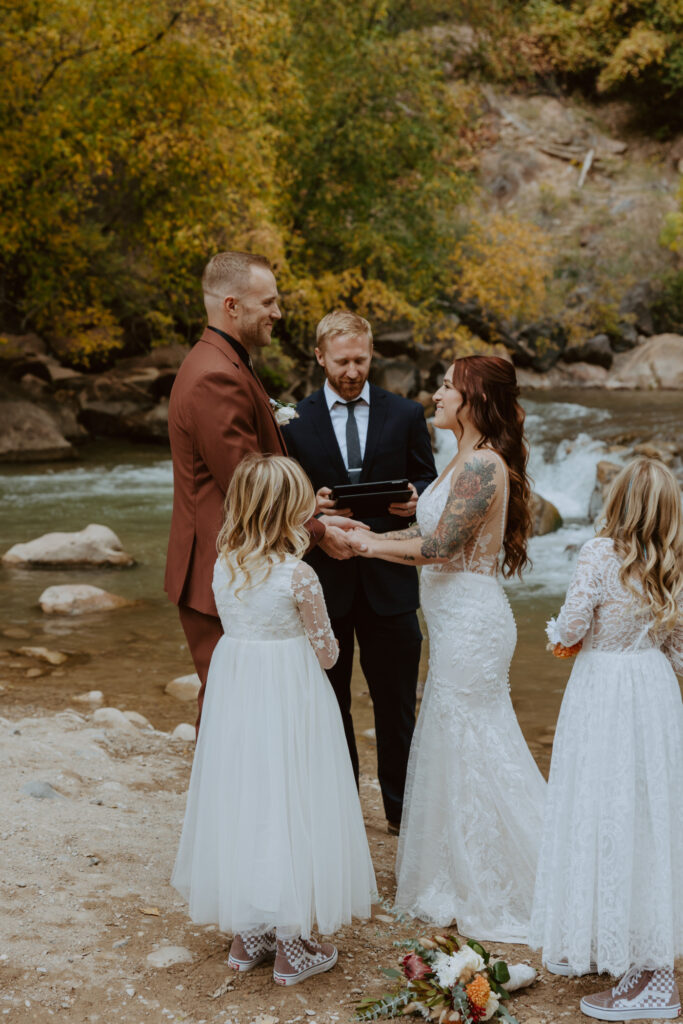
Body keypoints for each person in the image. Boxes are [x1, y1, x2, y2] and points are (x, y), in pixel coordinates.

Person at [348, 355, 546, 941]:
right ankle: (461, 871)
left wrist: (364, 548)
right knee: (455, 742)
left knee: (474, 741)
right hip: (455, 621)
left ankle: (507, 877)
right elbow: (426, 535)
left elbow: (440, 547)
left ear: (473, 399)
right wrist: (368, 534)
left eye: (446, 387)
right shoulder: (461, 459)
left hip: (473, 622)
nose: (434, 396)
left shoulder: (483, 465)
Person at [171, 454, 376, 987]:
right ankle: (293, 944)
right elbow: (329, 655)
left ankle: (249, 935)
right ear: (290, 509)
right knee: (291, 800)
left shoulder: (223, 564)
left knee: (247, 798)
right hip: (289, 695)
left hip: (238, 692)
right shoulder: (300, 574)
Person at [164, 253, 362, 727]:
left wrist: (311, 509)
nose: (278, 312)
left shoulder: (226, 361)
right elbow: (246, 484)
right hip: (221, 569)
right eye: (268, 302)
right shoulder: (216, 375)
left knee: (242, 704)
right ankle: (224, 802)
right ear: (231, 306)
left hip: (234, 567)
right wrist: (317, 530)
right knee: (230, 707)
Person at [529, 456, 683, 1021]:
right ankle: (622, 942)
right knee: (646, 816)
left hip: (604, 691)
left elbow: (571, 626)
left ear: (617, 501)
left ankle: (652, 983)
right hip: (654, 691)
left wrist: (560, 639)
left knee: (603, 807)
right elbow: (679, 651)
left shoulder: (599, 552)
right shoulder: (673, 563)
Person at [281, 310, 437, 835]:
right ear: (320, 357)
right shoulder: (294, 421)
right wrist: (312, 504)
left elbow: (427, 482)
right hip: (324, 582)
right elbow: (283, 498)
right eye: (342, 361)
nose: (352, 371)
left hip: (391, 581)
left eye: (361, 360)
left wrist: (416, 499)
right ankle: (342, 815)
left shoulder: (407, 414)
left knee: (397, 705)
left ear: (372, 355)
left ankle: (403, 815)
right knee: (331, 702)